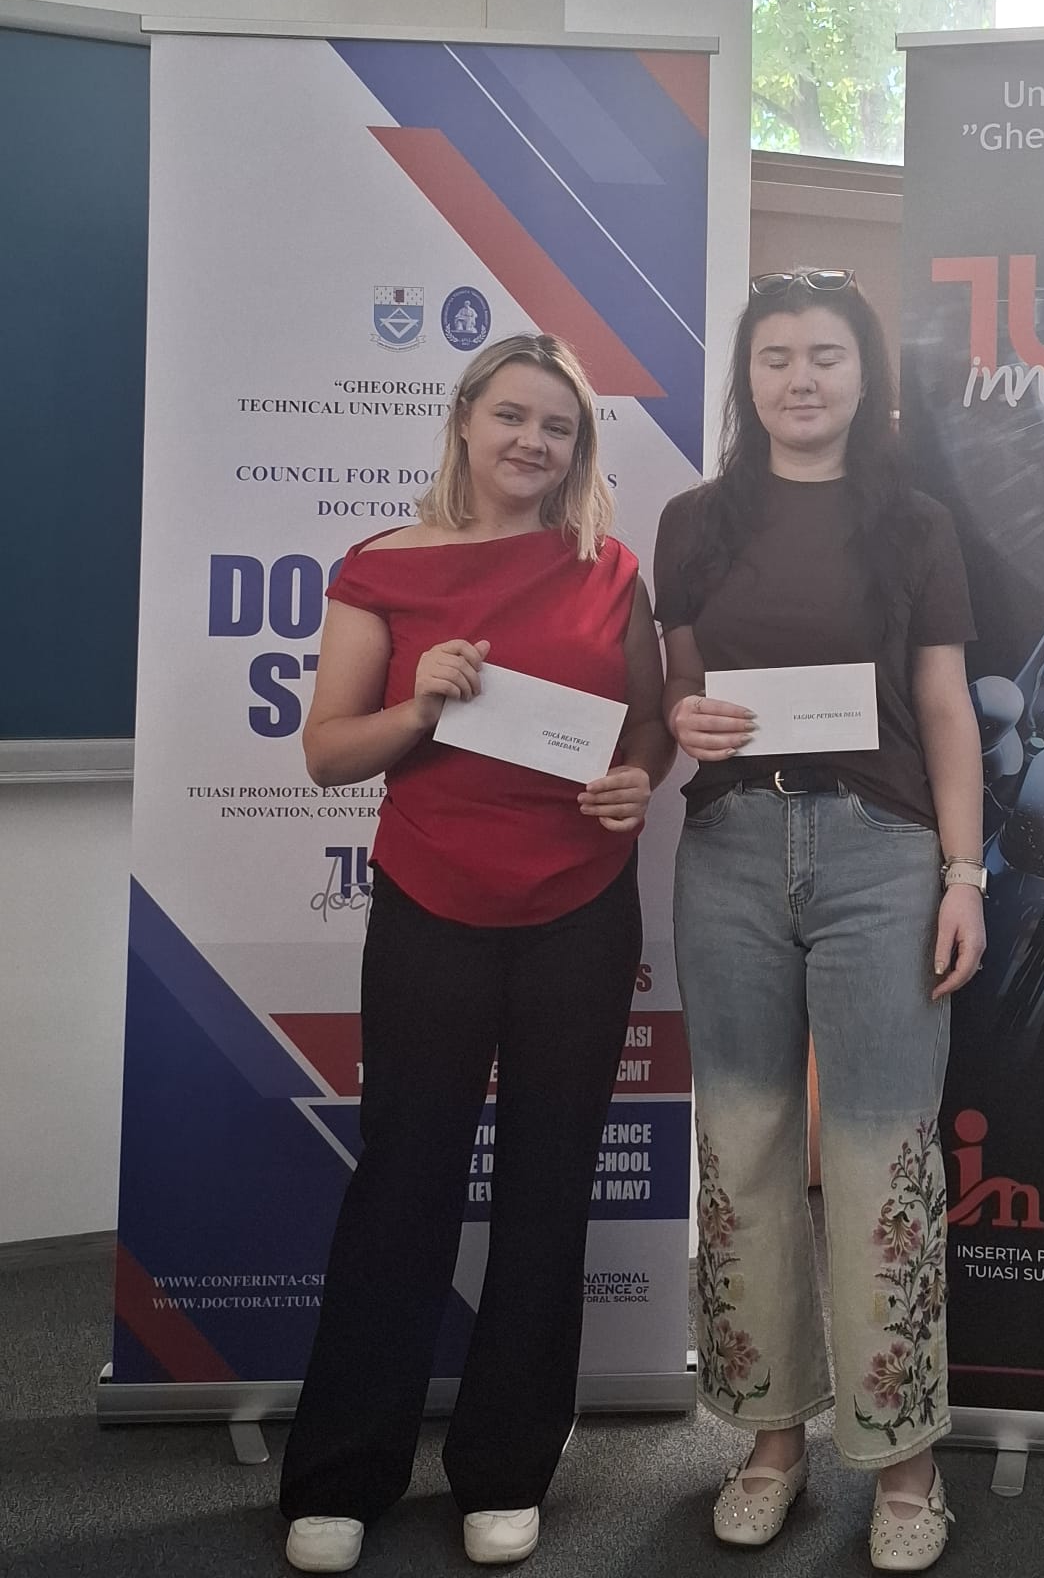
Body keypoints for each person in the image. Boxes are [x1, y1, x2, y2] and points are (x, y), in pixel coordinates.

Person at [278, 333, 669, 1573]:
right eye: (512, 416)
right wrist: (420, 703)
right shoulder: (382, 567)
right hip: (431, 902)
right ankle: (343, 1474)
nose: (532, 442)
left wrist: (638, 781)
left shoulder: (611, 567)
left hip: (582, 910)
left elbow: (648, 725)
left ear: (577, 447)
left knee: (551, 1184)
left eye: (557, 426)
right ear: (463, 420)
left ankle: (507, 1469)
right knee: (405, 1179)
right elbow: (329, 753)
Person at [653, 271, 986, 1573]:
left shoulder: (915, 525)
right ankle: (769, 1440)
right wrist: (682, 718)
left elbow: (945, 706)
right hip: (731, 851)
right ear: (747, 377)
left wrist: (965, 876)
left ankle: (903, 1458)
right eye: (776, 356)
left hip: (881, 857)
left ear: (865, 377)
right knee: (742, 1150)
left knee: (881, 1157)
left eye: (826, 356)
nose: (800, 378)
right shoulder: (693, 524)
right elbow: (681, 692)